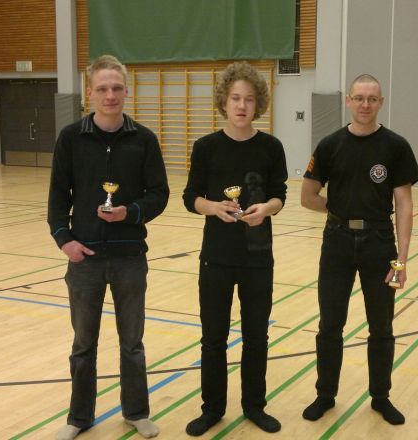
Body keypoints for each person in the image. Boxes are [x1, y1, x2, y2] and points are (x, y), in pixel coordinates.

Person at [47, 55, 169, 440]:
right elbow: (57, 197)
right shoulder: (70, 138)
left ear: (126, 91)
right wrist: (64, 240)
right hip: (85, 259)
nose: (110, 95)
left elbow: (159, 194)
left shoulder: (144, 139)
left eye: (116, 88)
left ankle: (136, 412)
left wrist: (130, 212)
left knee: (132, 344)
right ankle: (79, 418)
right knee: (83, 344)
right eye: (102, 88)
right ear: (90, 92)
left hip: (130, 258)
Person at [300, 74, 418, 425]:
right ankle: (325, 395)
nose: (365, 104)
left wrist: (401, 260)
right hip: (336, 242)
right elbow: (307, 197)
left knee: (381, 326)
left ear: (381, 102)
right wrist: (341, 209)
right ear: (348, 101)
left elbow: (404, 204)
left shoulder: (396, 146)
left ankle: (381, 397)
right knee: (330, 324)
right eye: (359, 98)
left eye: (372, 99)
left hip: (379, 244)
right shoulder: (329, 145)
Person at [182, 61, 288, 436]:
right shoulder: (206, 147)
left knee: (256, 337)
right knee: (213, 338)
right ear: (223, 102)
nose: (242, 105)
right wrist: (214, 207)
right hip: (216, 258)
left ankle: (254, 406)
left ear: (258, 104)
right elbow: (190, 197)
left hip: (258, 258)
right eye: (235, 98)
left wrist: (267, 209)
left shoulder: (271, 147)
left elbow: (280, 195)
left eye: (249, 99)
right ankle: (212, 409)